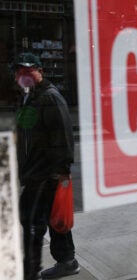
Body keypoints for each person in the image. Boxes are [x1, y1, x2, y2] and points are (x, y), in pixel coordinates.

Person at [14, 52, 80, 280]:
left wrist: (61, 172)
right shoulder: (29, 97)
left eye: (28, 70)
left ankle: (43, 266)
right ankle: (67, 261)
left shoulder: (50, 97)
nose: (24, 75)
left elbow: (63, 136)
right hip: (34, 173)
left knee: (41, 221)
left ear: (40, 71)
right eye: (19, 72)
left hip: (46, 174)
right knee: (52, 220)